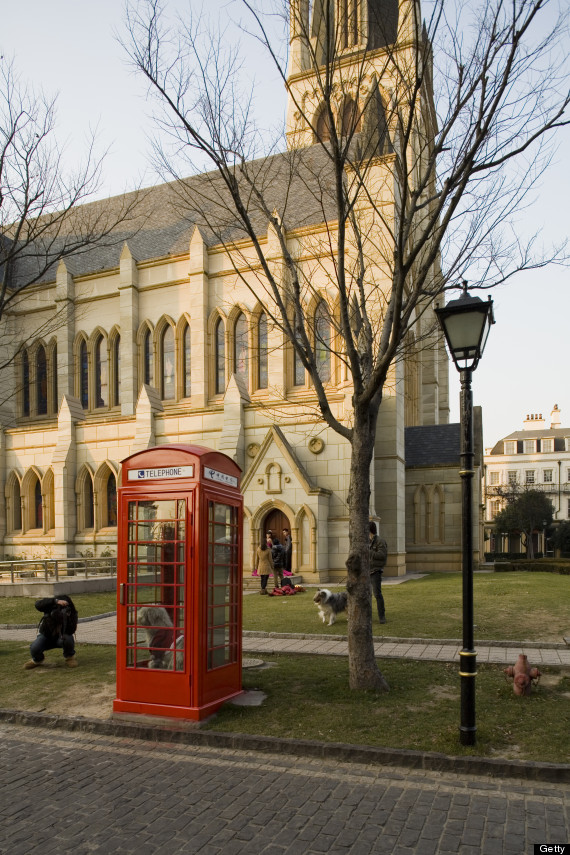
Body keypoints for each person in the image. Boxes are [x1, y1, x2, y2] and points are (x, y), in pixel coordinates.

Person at [24, 595, 79, 669]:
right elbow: (37, 604)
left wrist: (65, 619)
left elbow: (72, 630)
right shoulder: (49, 607)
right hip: (46, 636)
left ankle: (69, 657)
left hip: (61, 638)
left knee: (67, 639)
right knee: (34, 647)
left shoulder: (71, 613)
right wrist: (54, 601)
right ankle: (37, 660)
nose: (59, 610)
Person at [369, 522, 387, 624]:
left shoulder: (380, 541)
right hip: (366, 572)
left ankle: (382, 616)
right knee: (366, 595)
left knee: (377, 594)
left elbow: (382, 556)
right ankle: (367, 616)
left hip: (376, 571)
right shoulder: (367, 541)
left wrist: (369, 552)